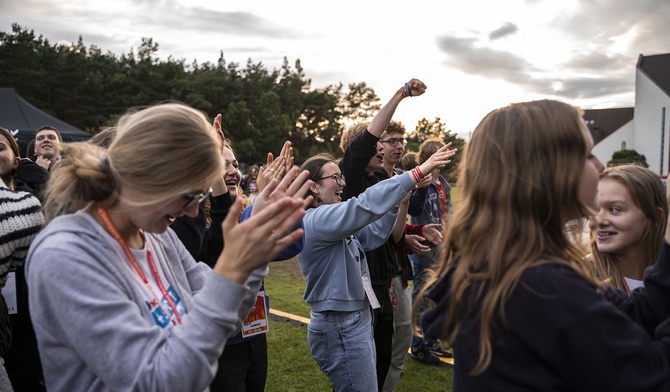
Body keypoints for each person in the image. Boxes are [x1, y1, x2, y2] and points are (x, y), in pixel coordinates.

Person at [25, 102, 309, 391]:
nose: (190, 212)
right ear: (147, 176)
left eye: (201, 197)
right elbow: (158, 380)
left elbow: (227, 321)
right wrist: (231, 272)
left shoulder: (155, 235)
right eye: (189, 196)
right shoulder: (65, 256)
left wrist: (251, 257)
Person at [419, 99, 670, 391]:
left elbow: (634, 317)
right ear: (548, 172)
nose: (601, 166)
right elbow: (652, 377)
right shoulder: (540, 286)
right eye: (587, 155)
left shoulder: (512, 265)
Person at [298, 140, 455, 392]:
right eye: (335, 178)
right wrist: (415, 173)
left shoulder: (332, 218)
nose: (343, 183)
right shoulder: (316, 219)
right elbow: (363, 206)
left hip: (354, 319)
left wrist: (395, 203)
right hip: (340, 324)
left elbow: (372, 235)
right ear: (313, 186)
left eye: (342, 177)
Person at [338, 78, 431, 389]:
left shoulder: (375, 181)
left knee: (381, 357)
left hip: (382, 277)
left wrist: (407, 219)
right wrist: (401, 93)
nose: (383, 149)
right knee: (365, 362)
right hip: (360, 285)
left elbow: (389, 236)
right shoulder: (349, 179)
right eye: (378, 144)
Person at [0, 128, 47, 391]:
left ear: (17, 161)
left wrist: (41, 180)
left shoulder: (31, 198)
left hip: (27, 323)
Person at [408, 137, 454, 365]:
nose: (443, 154)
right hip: (425, 249)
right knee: (422, 296)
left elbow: (449, 212)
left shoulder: (444, 183)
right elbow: (417, 213)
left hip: (444, 249)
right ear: (428, 155)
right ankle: (417, 345)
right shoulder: (422, 182)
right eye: (439, 151)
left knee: (438, 296)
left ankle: (431, 339)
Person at [589, 164, 667, 293]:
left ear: (656, 216)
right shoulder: (576, 278)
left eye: (614, 209)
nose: (598, 220)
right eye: (594, 209)